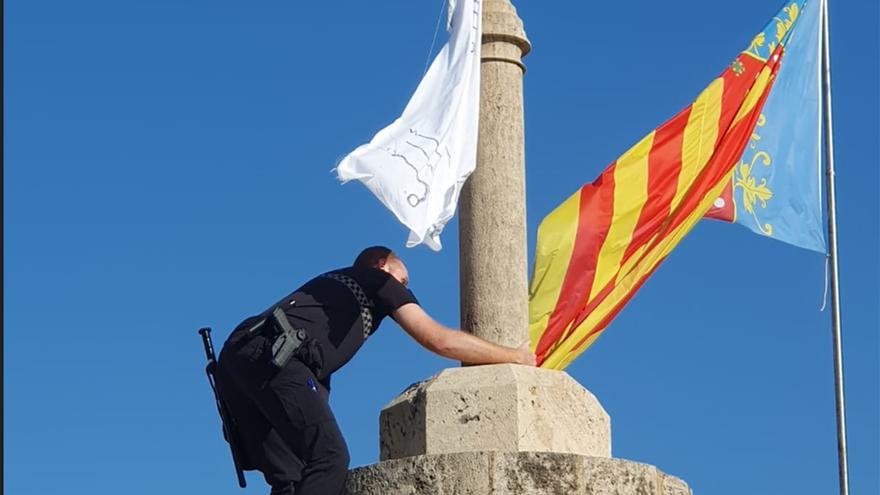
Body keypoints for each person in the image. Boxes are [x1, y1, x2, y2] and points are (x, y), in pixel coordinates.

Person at [214, 246, 536, 495]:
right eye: (404, 281)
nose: (405, 289)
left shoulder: (329, 301)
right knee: (330, 458)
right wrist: (514, 356)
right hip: (275, 359)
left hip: (237, 360)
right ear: (382, 264)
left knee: (293, 477)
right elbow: (437, 338)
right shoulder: (377, 280)